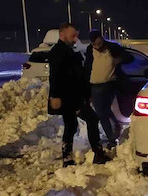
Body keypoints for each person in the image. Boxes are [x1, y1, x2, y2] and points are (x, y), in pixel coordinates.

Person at [48, 23, 110, 166]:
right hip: (67, 97)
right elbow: (55, 76)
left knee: (75, 124)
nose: (76, 39)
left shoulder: (69, 50)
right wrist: (55, 96)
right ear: (62, 34)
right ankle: (81, 155)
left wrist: (86, 93)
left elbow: (79, 75)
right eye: (72, 35)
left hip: (75, 96)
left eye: (76, 35)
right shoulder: (57, 51)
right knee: (85, 121)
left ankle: (72, 157)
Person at [84, 30, 133, 149]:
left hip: (110, 84)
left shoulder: (113, 47)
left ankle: (111, 139)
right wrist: (86, 89)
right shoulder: (90, 50)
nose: (97, 47)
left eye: (98, 44)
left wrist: (119, 59)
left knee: (102, 112)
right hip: (95, 85)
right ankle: (116, 127)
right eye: (94, 45)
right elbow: (87, 68)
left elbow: (129, 57)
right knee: (103, 111)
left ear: (102, 38)